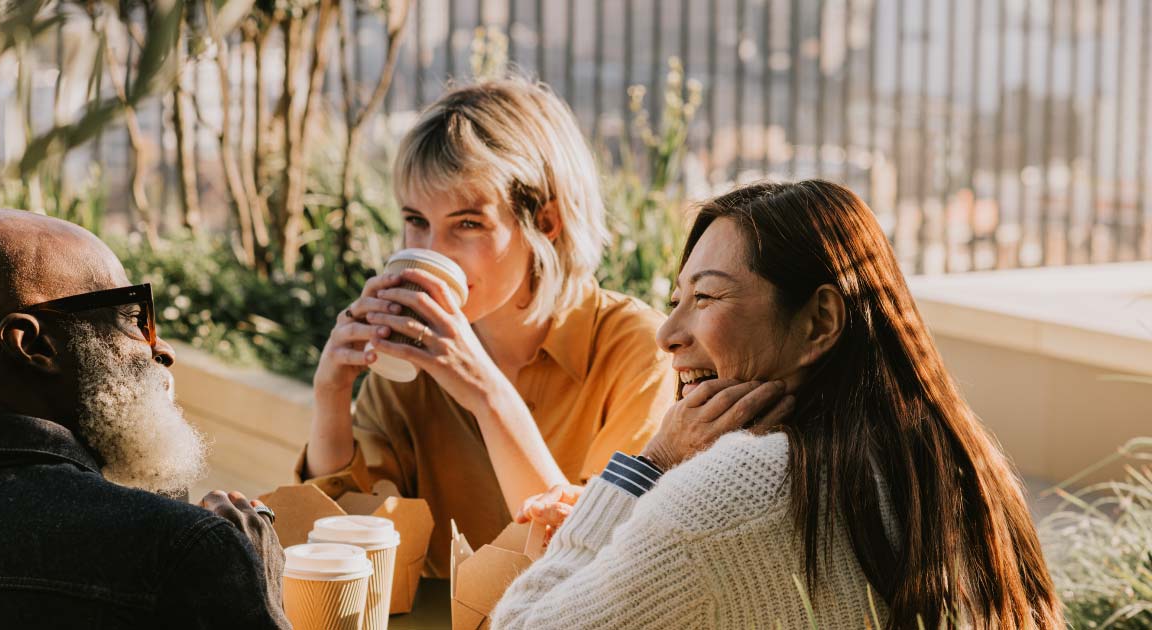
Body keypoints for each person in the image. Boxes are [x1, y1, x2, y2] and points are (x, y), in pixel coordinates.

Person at [496, 181, 1064, 629]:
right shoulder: (953, 463)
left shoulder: (738, 490)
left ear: (819, 322)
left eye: (706, 297)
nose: (667, 332)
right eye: (676, 300)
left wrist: (650, 465)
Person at [299, 78, 677, 575]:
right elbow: (345, 553)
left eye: (467, 223)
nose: (432, 251)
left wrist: (486, 394)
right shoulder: (411, 365)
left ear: (546, 222)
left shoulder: (639, 351)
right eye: (416, 220)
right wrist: (331, 395)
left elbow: (594, 565)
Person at [0, 210, 289, 629]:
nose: (162, 350)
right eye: (132, 319)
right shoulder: (182, 550)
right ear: (36, 344)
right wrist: (258, 587)